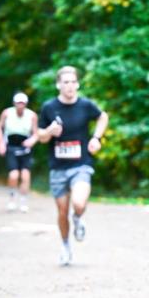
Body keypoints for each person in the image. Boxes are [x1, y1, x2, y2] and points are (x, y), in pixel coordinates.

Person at [35, 66, 108, 266]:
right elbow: (40, 137)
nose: (69, 86)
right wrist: (50, 131)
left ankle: (78, 218)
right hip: (58, 167)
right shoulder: (49, 108)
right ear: (59, 84)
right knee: (61, 212)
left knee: (79, 203)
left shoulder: (85, 106)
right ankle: (66, 245)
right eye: (65, 82)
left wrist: (96, 138)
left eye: (72, 82)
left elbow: (103, 116)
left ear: (77, 84)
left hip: (80, 165)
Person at [0, 92, 38, 213]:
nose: (20, 105)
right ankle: (12, 196)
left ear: (25, 104)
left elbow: (36, 133)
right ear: (14, 103)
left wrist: (31, 141)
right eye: (18, 103)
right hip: (11, 147)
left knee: (25, 175)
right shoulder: (7, 113)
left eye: (22, 103)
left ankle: (23, 199)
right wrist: (1, 143)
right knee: (13, 175)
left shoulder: (32, 115)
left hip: (25, 148)